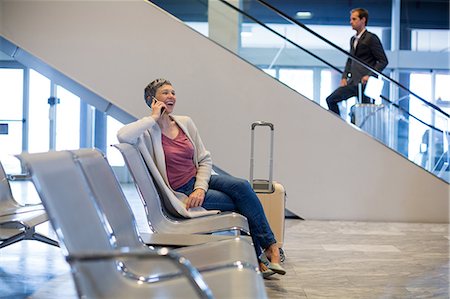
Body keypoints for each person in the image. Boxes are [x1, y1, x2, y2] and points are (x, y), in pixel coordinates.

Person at [117, 78, 286, 278]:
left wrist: (200, 187)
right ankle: (265, 253)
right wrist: (153, 117)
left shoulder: (185, 122)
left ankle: (267, 249)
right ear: (152, 99)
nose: (171, 96)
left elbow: (204, 159)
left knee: (242, 186)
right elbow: (122, 135)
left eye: (173, 92)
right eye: (165, 93)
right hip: (182, 192)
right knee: (240, 202)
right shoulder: (147, 131)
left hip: (200, 180)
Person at [326, 8, 388, 116]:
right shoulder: (353, 39)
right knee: (331, 99)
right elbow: (350, 59)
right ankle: (338, 126)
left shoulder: (371, 38)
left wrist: (370, 75)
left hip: (366, 84)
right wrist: (344, 77)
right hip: (353, 81)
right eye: (351, 19)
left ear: (363, 20)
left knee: (365, 114)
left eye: (354, 19)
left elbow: (383, 61)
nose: (351, 22)